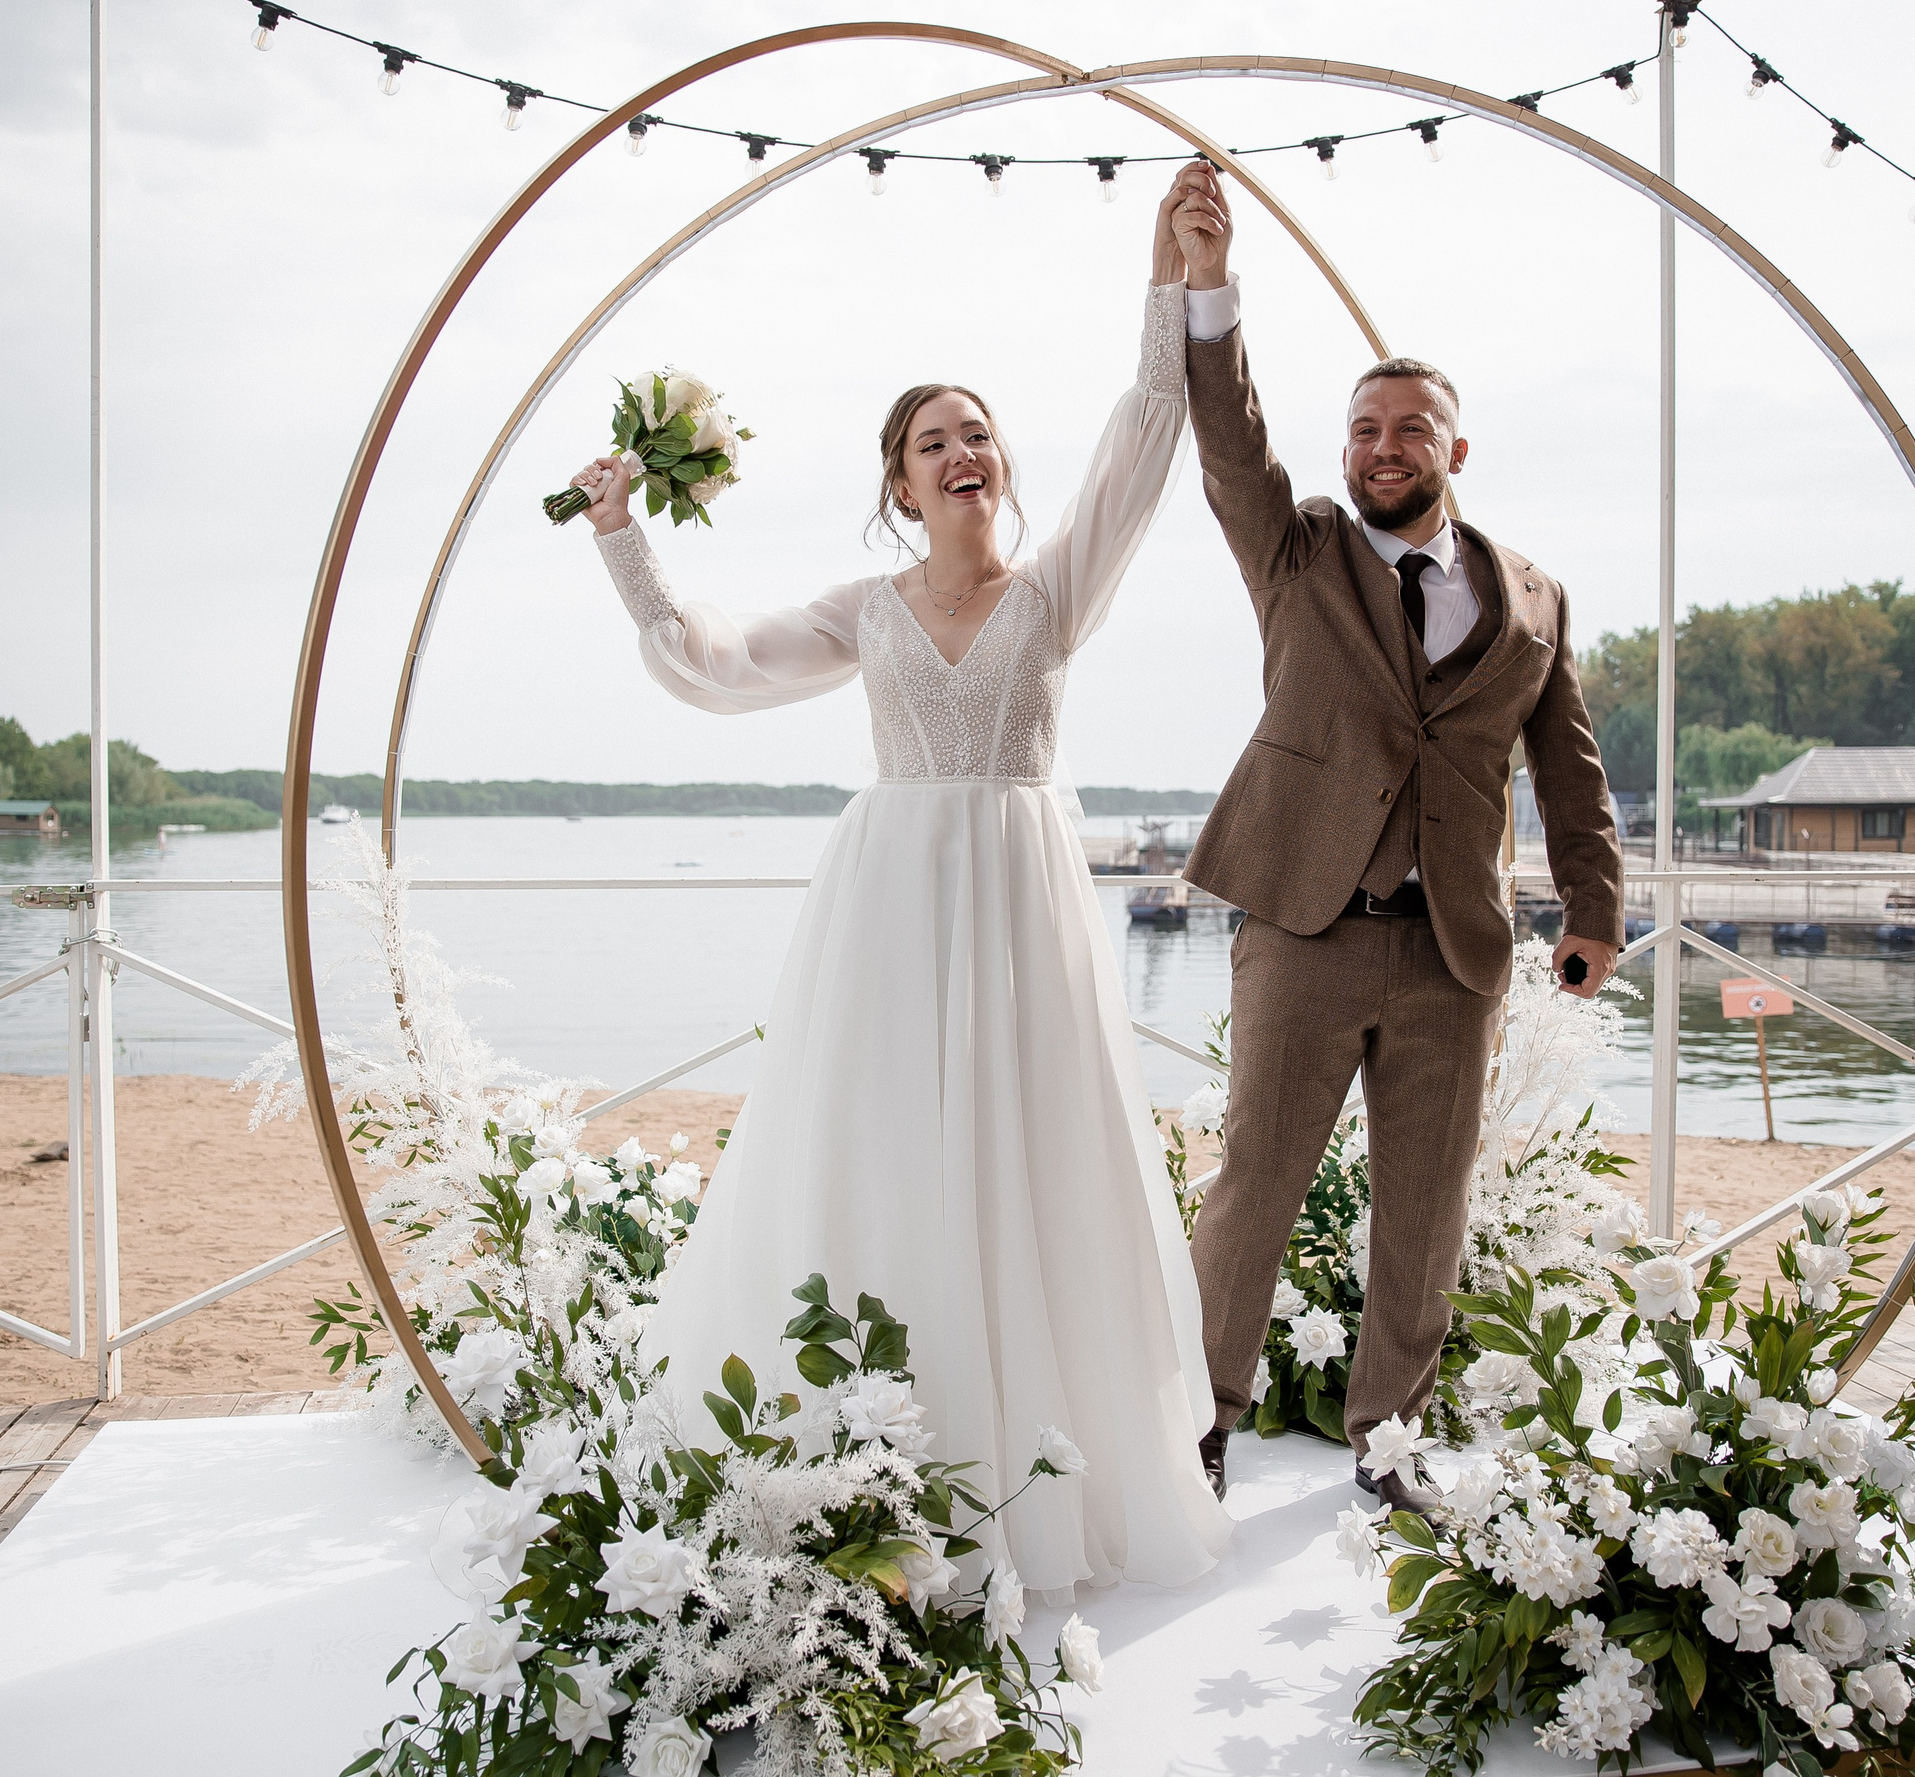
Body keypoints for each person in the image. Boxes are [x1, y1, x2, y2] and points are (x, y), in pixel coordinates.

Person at [558, 208, 1228, 1601]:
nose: (961, 450)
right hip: (890, 914)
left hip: (1022, 909)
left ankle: (1035, 1464)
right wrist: (622, 539)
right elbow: (716, 659)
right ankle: (866, 1450)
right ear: (901, 485)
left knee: (1033, 1148)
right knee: (880, 1147)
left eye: (977, 432)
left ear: (1000, 467)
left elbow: (1147, 434)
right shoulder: (864, 611)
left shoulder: (1057, 590)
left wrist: (1173, 284)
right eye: (933, 441)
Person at [1161, 160, 1626, 1511]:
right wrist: (1209, 286)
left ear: (1454, 452)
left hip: (1453, 948)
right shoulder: (1298, 552)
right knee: (1256, 1186)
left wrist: (1594, 909)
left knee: (1426, 1207)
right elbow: (1230, 441)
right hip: (1304, 928)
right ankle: (1199, 1423)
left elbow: (1570, 764)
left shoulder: (1532, 595)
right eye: (1364, 428)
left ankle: (1392, 1437)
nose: (1382, 446)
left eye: (1410, 429)